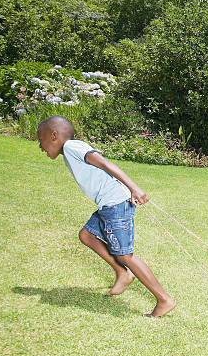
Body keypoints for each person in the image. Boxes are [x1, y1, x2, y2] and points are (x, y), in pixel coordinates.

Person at [37, 115, 176, 318]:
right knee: (87, 235)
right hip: (108, 204)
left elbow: (103, 163)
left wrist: (134, 188)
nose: (40, 146)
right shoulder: (69, 151)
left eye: (41, 140)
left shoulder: (72, 147)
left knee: (125, 255)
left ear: (54, 135)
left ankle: (164, 299)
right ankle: (122, 273)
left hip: (116, 203)